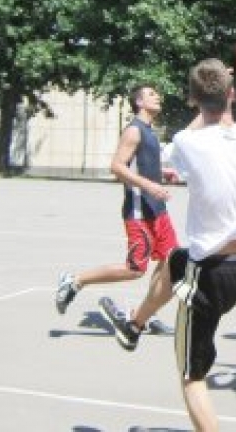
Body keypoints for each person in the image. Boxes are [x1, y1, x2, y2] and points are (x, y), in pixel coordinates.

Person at [102, 42, 236, 432]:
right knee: (174, 260)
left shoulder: (189, 144)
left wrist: (206, 95)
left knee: (192, 377)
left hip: (211, 276)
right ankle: (135, 325)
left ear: (193, 99)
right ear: (232, 95)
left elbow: (178, 141)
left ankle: (137, 326)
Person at [54, 83, 176, 336]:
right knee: (135, 269)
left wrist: (162, 174)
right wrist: (150, 185)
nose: (158, 97)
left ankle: (144, 315)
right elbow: (117, 167)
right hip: (139, 211)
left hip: (158, 210)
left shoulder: (150, 131)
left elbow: (141, 165)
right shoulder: (133, 130)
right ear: (139, 102)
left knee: (169, 263)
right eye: (152, 94)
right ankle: (75, 281)